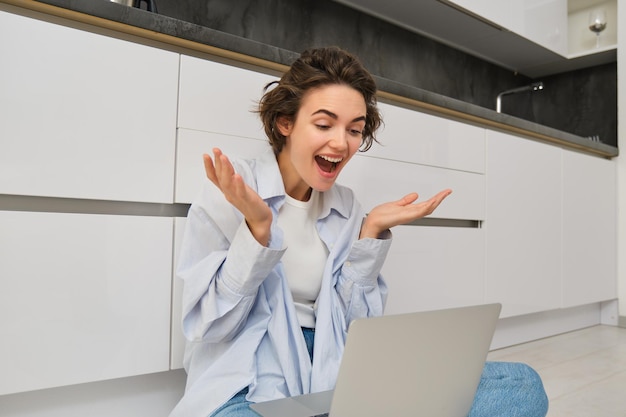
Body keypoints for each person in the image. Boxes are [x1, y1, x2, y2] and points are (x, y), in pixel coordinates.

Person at [169, 46, 548, 417]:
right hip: (250, 383)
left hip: (334, 375)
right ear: (285, 122)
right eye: (323, 124)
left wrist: (370, 234)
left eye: (354, 129)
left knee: (523, 386)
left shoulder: (346, 206)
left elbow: (356, 328)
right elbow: (208, 325)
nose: (341, 143)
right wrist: (257, 230)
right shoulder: (234, 187)